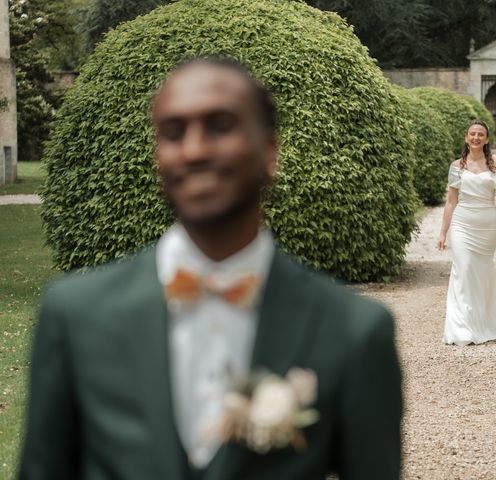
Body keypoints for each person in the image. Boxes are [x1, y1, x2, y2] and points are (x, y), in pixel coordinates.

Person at [20, 58, 403, 479]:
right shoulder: (76, 315)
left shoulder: (353, 329)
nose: (195, 150)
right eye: (173, 132)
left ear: (270, 150)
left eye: (221, 126)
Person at [437, 120, 496, 346]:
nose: (476, 137)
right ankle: (462, 327)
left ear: (486, 139)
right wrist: (442, 232)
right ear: (466, 138)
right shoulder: (457, 166)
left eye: (481, 134)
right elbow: (450, 201)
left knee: (481, 272)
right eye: (472, 134)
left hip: (486, 225)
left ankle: (485, 319)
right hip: (462, 224)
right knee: (464, 269)